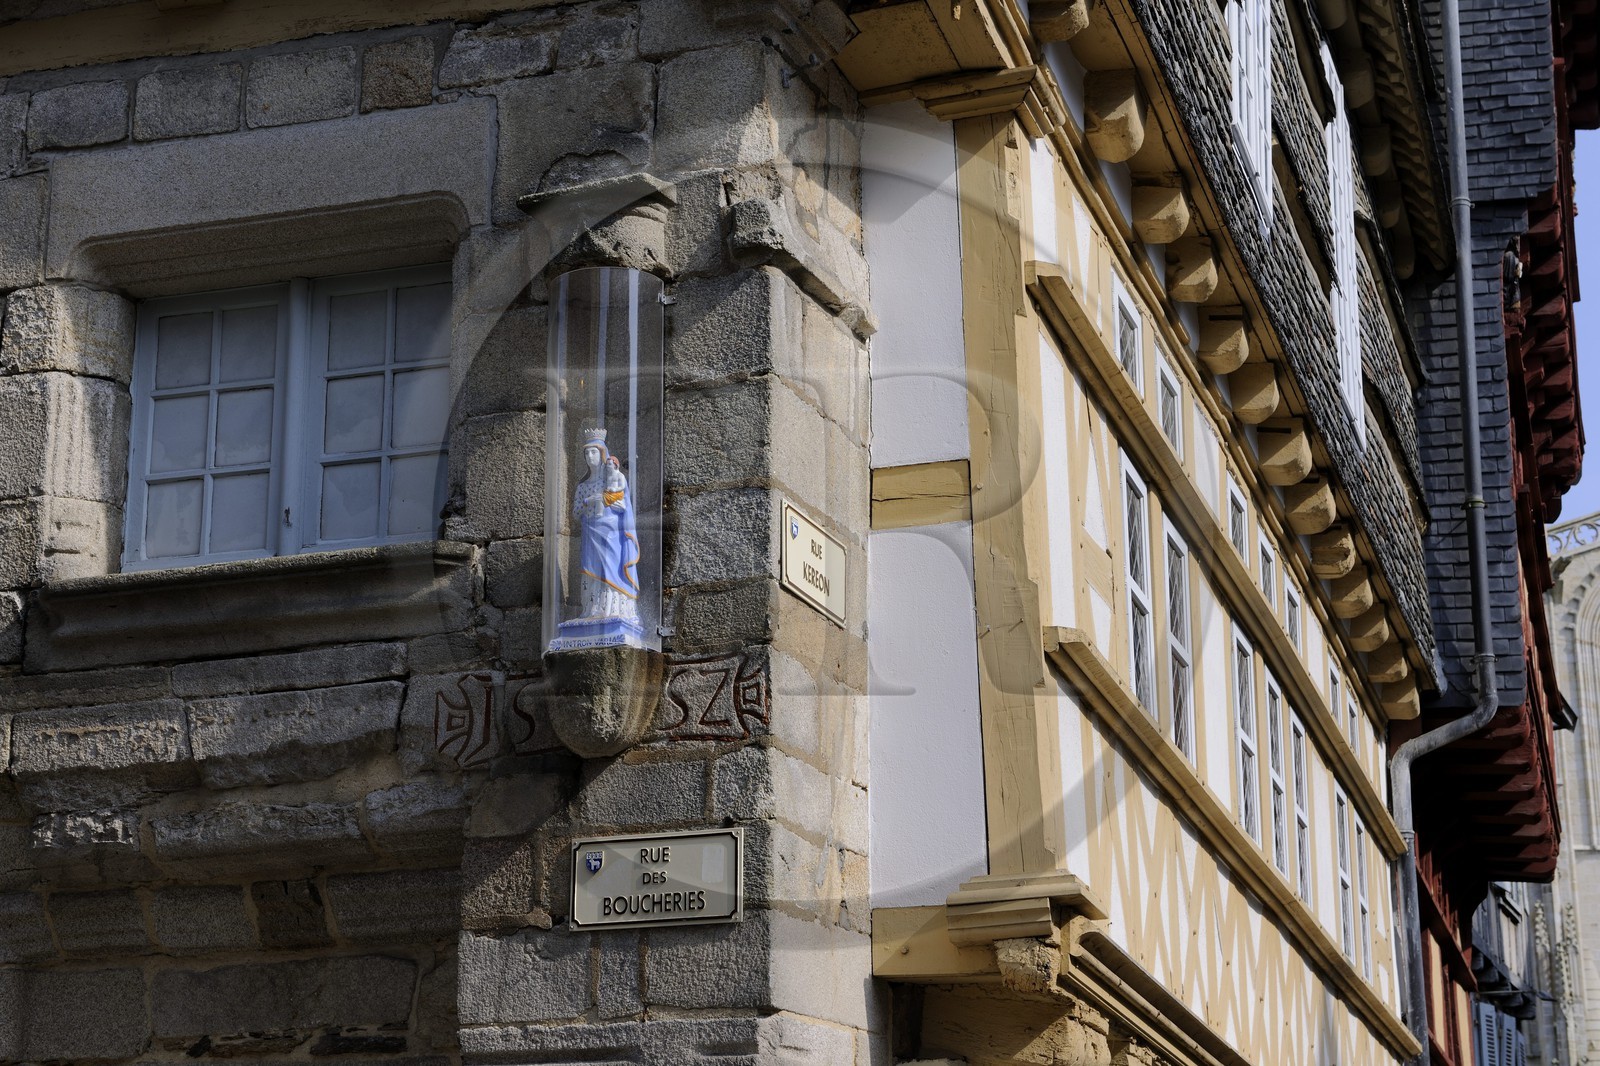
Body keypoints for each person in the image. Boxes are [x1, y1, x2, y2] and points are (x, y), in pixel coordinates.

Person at [572, 427, 640, 625]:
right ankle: (592, 610)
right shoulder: (582, 487)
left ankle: (615, 609)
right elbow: (576, 514)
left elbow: (623, 506)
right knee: (592, 570)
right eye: (586, 453)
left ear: (602, 455)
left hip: (611, 533)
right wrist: (588, 502)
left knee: (611, 569)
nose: (589, 456)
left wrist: (603, 499)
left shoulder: (614, 479)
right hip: (590, 533)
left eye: (593, 452)